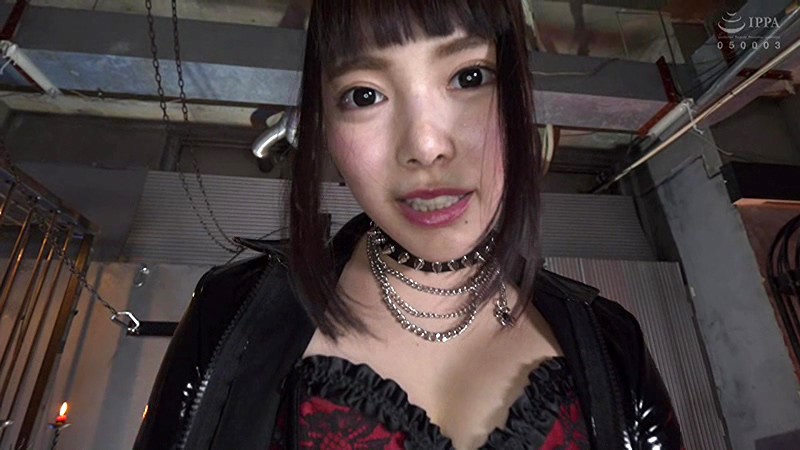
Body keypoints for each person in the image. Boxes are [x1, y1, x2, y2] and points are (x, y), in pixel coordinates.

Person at [134, 1, 683, 449]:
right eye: (364, 95)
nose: (425, 146)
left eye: (469, 76)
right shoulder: (229, 316)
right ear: (325, 127)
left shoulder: (611, 343)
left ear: (519, 96)